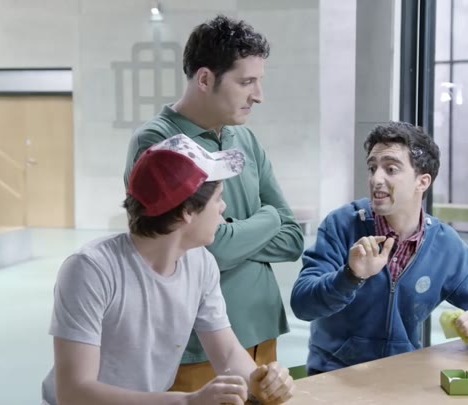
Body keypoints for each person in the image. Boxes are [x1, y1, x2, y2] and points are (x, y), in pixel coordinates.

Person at [42, 134, 295, 405]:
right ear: (187, 211)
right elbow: (74, 393)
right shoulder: (91, 270)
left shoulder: (200, 263)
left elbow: (227, 353)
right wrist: (187, 402)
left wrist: (259, 381)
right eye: (218, 198)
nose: (224, 208)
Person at [123, 15, 304, 392]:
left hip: (263, 329)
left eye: (259, 81)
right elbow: (203, 248)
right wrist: (269, 218)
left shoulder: (246, 140)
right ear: (205, 79)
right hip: (196, 347)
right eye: (246, 82)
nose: (258, 95)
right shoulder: (159, 143)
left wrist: (237, 234)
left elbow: (292, 239)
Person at [290, 122, 468, 375]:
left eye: (391, 169)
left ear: (422, 182)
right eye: (372, 168)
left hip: (403, 374)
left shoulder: (444, 244)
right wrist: (350, 276)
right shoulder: (342, 225)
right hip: (335, 374)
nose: (376, 179)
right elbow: (302, 304)